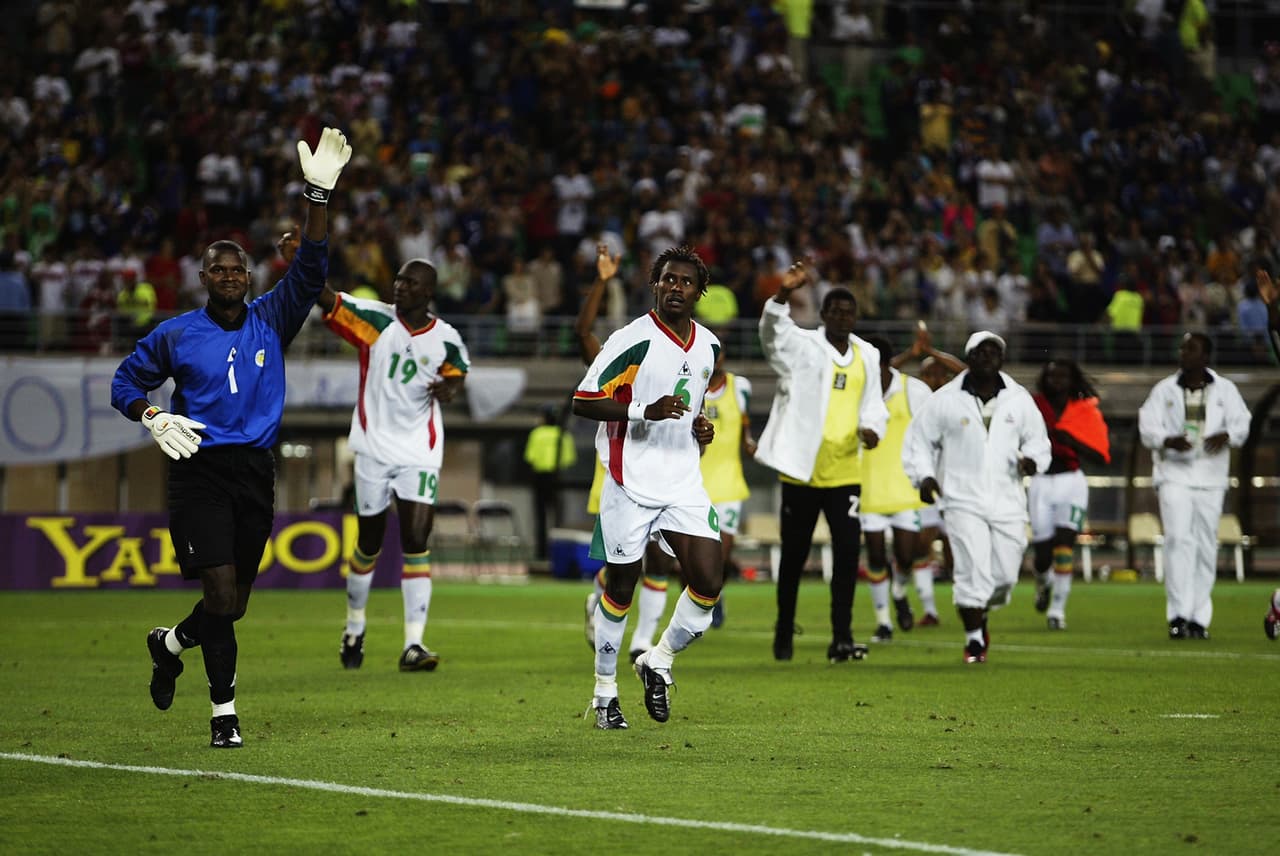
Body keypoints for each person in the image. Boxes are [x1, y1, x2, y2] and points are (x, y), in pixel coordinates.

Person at [111, 127, 351, 748]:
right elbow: (123, 382)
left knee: (233, 603)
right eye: (217, 269)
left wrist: (317, 195)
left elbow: (313, 267)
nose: (227, 276)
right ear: (203, 277)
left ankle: (167, 645)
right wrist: (151, 415)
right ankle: (225, 715)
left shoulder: (273, 318)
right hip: (199, 473)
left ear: (248, 275)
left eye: (235, 268)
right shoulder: (176, 334)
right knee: (218, 590)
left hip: (255, 472)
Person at [279, 227, 470, 672]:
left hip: (420, 450)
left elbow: (458, 371)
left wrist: (450, 389)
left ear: (428, 292)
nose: (398, 286)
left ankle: (413, 644)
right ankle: (355, 624)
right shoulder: (375, 320)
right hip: (372, 449)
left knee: (416, 540)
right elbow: (324, 297)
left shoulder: (446, 336)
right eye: (398, 280)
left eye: (409, 282)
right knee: (368, 542)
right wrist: (299, 259)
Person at [573, 244, 720, 730]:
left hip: (682, 481)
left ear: (699, 291)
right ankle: (604, 694)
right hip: (628, 482)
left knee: (708, 583)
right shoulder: (629, 340)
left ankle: (658, 660)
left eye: (685, 282)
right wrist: (642, 410)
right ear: (655, 285)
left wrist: (702, 427)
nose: (676, 287)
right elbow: (583, 400)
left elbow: (692, 405)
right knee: (620, 587)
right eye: (668, 280)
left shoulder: (709, 346)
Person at [756, 262, 888, 663]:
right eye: (836, 310)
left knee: (849, 553)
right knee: (794, 555)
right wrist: (781, 295)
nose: (843, 317)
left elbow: (874, 406)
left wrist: (871, 430)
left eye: (850, 312)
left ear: (855, 317)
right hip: (803, 469)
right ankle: (784, 627)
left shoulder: (869, 354)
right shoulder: (804, 345)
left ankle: (842, 637)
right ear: (824, 314)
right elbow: (771, 337)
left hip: (846, 469)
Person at [902, 331, 1051, 664]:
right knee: (971, 570)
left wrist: (1032, 460)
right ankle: (973, 640)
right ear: (968, 358)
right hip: (960, 498)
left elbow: (1039, 442)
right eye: (980, 352)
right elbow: (918, 442)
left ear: (1002, 358)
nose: (987, 357)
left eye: (994, 351)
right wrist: (923, 477)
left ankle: (980, 611)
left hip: (1008, 499)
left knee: (1005, 577)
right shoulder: (944, 399)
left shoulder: (1019, 399)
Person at [577, 243, 676, 664]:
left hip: (663, 475)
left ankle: (642, 641)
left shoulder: (666, 360)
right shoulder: (613, 359)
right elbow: (584, 332)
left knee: (658, 561)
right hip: (618, 475)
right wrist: (602, 281)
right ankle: (600, 592)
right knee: (625, 568)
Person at [1137, 333, 1251, 640]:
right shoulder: (1164, 389)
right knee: (1177, 541)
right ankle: (1178, 614)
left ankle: (1199, 617)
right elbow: (1147, 423)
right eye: (1182, 347)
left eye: (1191, 348)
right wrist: (1166, 440)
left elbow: (1243, 422)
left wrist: (1227, 435)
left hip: (1212, 476)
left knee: (1204, 545)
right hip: (1174, 473)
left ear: (1206, 357)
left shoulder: (1225, 389)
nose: (1183, 352)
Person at [857, 336, 936, 641]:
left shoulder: (913, 390)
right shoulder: (856, 393)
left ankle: (900, 591)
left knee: (906, 555)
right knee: (876, 556)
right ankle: (883, 622)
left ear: (885, 363)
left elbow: (930, 431)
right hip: (868, 487)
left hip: (905, 488)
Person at [1028, 359, 1111, 631]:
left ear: (1072, 379)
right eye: (1052, 375)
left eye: (1063, 376)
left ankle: (1057, 610)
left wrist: (1071, 441)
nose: (1057, 381)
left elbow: (1101, 456)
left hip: (1071, 483)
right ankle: (1043, 583)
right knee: (1042, 556)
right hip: (1040, 482)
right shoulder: (1032, 406)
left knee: (1064, 545)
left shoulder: (1085, 410)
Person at [699, 346, 756, 629]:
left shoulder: (740, 387)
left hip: (730, 482)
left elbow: (745, 425)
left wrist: (749, 442)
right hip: (694, 483)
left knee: (721, 552)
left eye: (719, 353)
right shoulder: (691, 385)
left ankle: (715, 599)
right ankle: (699, 601)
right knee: (693, 558)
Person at [524, 403, 577, 560]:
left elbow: (530, 457)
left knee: (540, 516)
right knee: (558, 516)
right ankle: (557, 552)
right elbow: (569, 460)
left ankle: (541, 552)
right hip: (558, 478)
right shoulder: (563, 434)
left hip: (540, 477)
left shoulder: (537, 434)